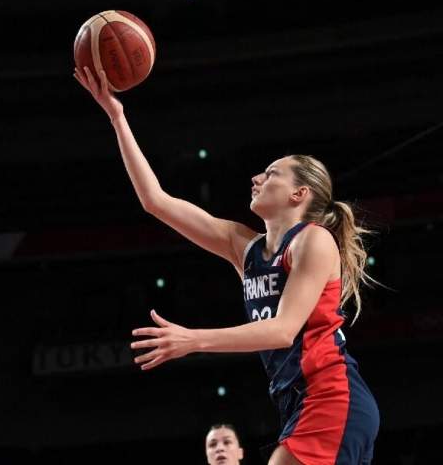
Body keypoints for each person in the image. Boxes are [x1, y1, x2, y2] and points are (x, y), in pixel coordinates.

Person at [74, 67, 380, 465]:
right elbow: (155, 201)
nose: (256, 178)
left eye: (271, 174)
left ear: (298, 194)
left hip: (332, 397)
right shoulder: (244, 246)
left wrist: (193, 340)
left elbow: (283, 330)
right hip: (296, 403)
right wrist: (117, 116)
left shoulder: (313, 241)